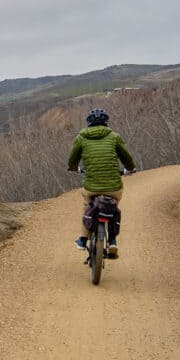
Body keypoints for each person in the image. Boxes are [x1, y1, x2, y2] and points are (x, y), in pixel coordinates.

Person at [67, 108, 136, 256]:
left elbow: (72, 160)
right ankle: (112, 241)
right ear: (106, 122)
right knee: (113, 208)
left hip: (92, 186)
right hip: (113, 186)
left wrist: (74, 168)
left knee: (87, 206)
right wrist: (130, 168)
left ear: (88, 124)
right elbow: (127, 158)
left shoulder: (81, 137)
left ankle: (83, 239)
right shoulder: (114, 137)